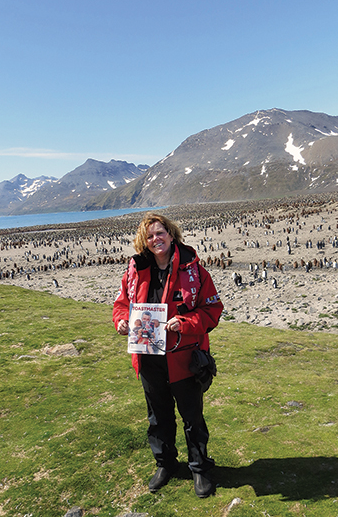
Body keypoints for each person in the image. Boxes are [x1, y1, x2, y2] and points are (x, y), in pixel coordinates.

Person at [113, 213, 223, 498]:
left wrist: (185, 324)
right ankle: (166, 464)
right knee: (158, 416)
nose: (156, 239)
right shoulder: (135, 271)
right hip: (148, 357)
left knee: (192, 417)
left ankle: (199, 467)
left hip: (183, 358)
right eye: (150, 236)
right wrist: (122, 321)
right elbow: (122, 304)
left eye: (160, 233)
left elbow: (212, 310)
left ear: (171, 234)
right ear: (144, 242)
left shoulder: (194, 270)